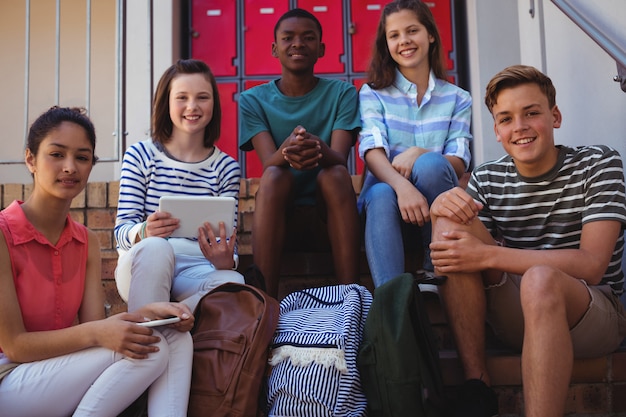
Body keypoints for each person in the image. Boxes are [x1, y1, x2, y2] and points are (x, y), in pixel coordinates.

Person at [429, 64, 626, 417]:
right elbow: (466, 253)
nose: (519, 127)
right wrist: (440, 206)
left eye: (531, 113)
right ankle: (477, 385)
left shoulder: (599, 162)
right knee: (448, 214)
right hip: (516, 314)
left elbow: (592, 266)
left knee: (539, 278)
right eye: (506, 119)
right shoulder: (487, 178)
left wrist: (488, 256)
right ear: (497, 131)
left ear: (555, 117)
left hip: (594, 314)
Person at [0, 106, 194, 416]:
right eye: (56, 154)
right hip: (9, 380)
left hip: (60, 374)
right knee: (153, 352)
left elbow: (96, 331)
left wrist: (146, 315)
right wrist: (97, 333)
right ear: (30, 159)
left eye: (81, 157)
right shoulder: (3, 234)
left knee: (174, 338)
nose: (69, 167)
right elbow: (15, 346)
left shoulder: (86, 241)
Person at [238, 8, 361, 298]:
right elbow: (269, 163)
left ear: (321, 48)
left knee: (335, 175)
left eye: (308, 38)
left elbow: (340, 158)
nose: (297, 43)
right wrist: (290, 149)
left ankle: (350, 297)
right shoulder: (252, 100)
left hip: (327, 214)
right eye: (288, 38)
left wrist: (316, 147)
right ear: (274, 48)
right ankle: (264, 302)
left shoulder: (343, 94)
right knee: (274, 177)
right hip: (280, 218)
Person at [357, 0, 472, 288]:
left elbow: (459, 161)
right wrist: (403, 187)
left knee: (432, 163)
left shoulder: (458, 98)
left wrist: (419, 153)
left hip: (436, 206)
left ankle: (436, 267)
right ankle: (392, 301)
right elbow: (372, 151)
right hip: (385, 210)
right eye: (394, 35)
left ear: (430, 34)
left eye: (412, 31)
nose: (404, 41)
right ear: (386, 43)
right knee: (382, 192)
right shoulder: (373, 93)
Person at [115, 59, 244, 313]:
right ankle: (151, 330)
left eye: (202, 97)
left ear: (214, 104)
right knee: (156, 246)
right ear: (167, 102)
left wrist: (226, 260)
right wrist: (145, 231)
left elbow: (229, 241)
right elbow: (121, 232)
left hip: (197, 267)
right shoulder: (140, 155)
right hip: (144, 263)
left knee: (233, 282)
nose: (192, 106)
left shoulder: (226, 168)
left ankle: (173, 318)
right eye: (182, 97)